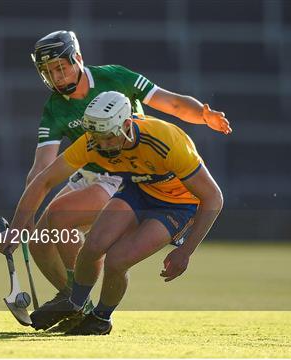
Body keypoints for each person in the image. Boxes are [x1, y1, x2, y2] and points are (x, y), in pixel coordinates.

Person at [22, 30, 230, 329]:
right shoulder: (54, 107)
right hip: (90, 168)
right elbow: (42, 167)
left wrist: (203, 114)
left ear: (77, 59)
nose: (56, 76)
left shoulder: (115, 77)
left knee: (61, 219)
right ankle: (73, 298)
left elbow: (170, 103)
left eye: (61, 66)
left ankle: (78, 302)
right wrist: (27, 210)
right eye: (48, 71)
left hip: (124, 170)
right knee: (42, 239)